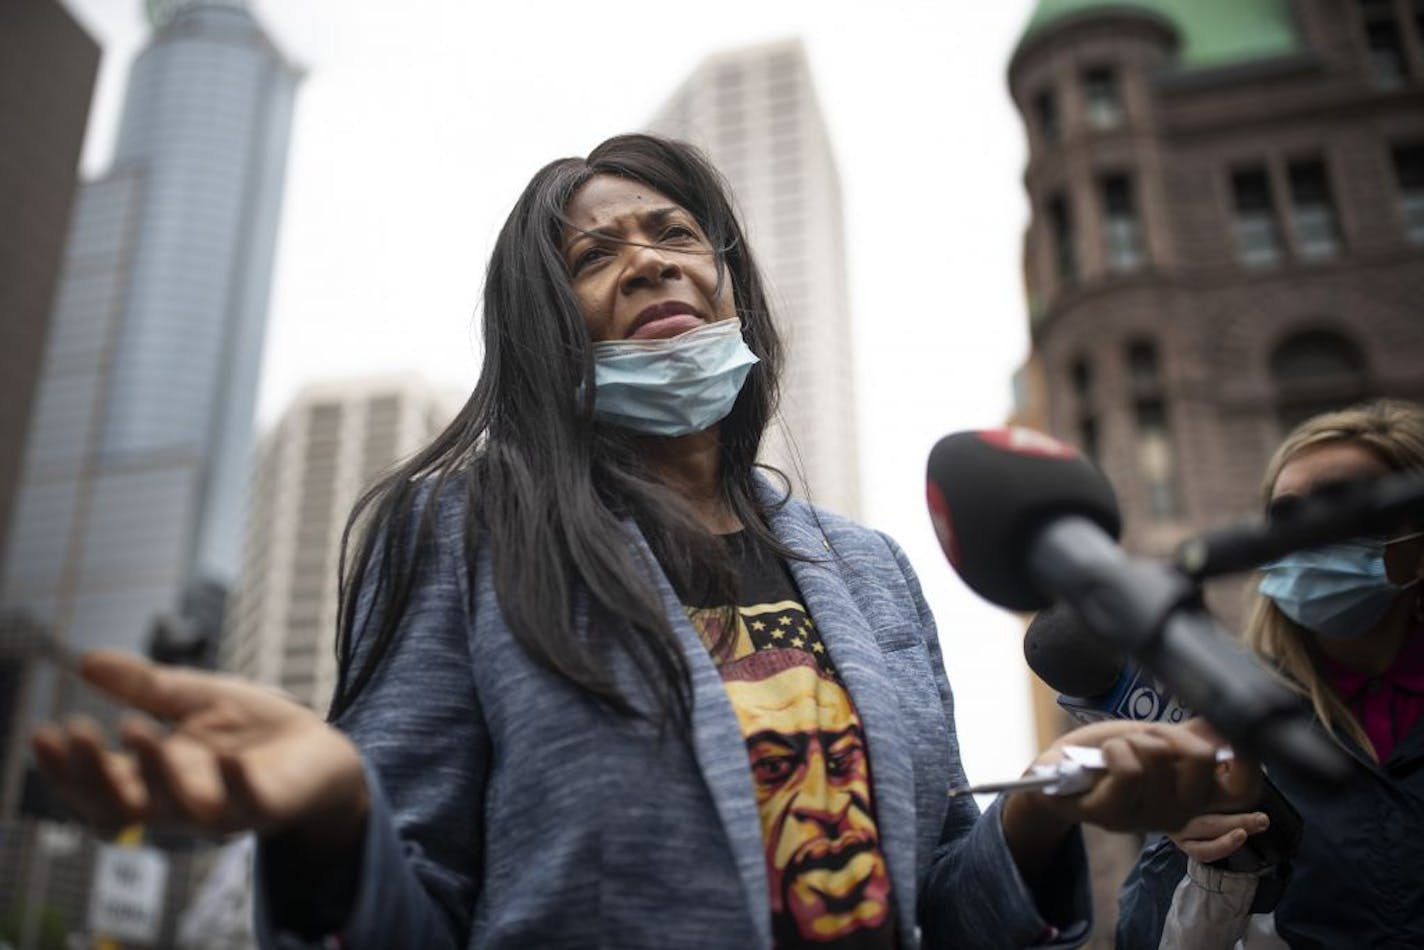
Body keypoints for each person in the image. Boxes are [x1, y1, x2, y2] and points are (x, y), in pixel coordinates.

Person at [33, 134, 1248, 949]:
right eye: (592, 255)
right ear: (544, 325)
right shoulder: (457, 530)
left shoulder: (870, 568)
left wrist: (1039, 810)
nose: (648, 258)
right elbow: (408, 910)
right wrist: (337, 817)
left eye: (673, 232)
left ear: (726, 280)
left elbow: (939, 898)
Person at [1117, 398, 1424, 948]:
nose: (1311, 530)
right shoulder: (1233, 727)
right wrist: (1209, 861)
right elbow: (1140, 937)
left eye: (1344, 504)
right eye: (1285, 516)